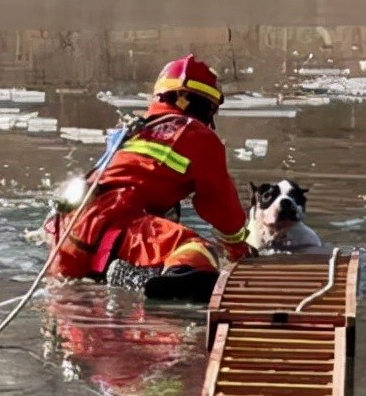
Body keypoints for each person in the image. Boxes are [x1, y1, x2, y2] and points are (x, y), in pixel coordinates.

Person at [44, 54, 256, 299]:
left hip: (70, 227)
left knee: (68, 297)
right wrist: (237, 247)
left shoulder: (135, 130)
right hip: (120, 218)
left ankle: (127, 274)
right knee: (195, 250)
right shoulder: (196, 134)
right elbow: (220, 205)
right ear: (198, 103)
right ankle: (155, 279)